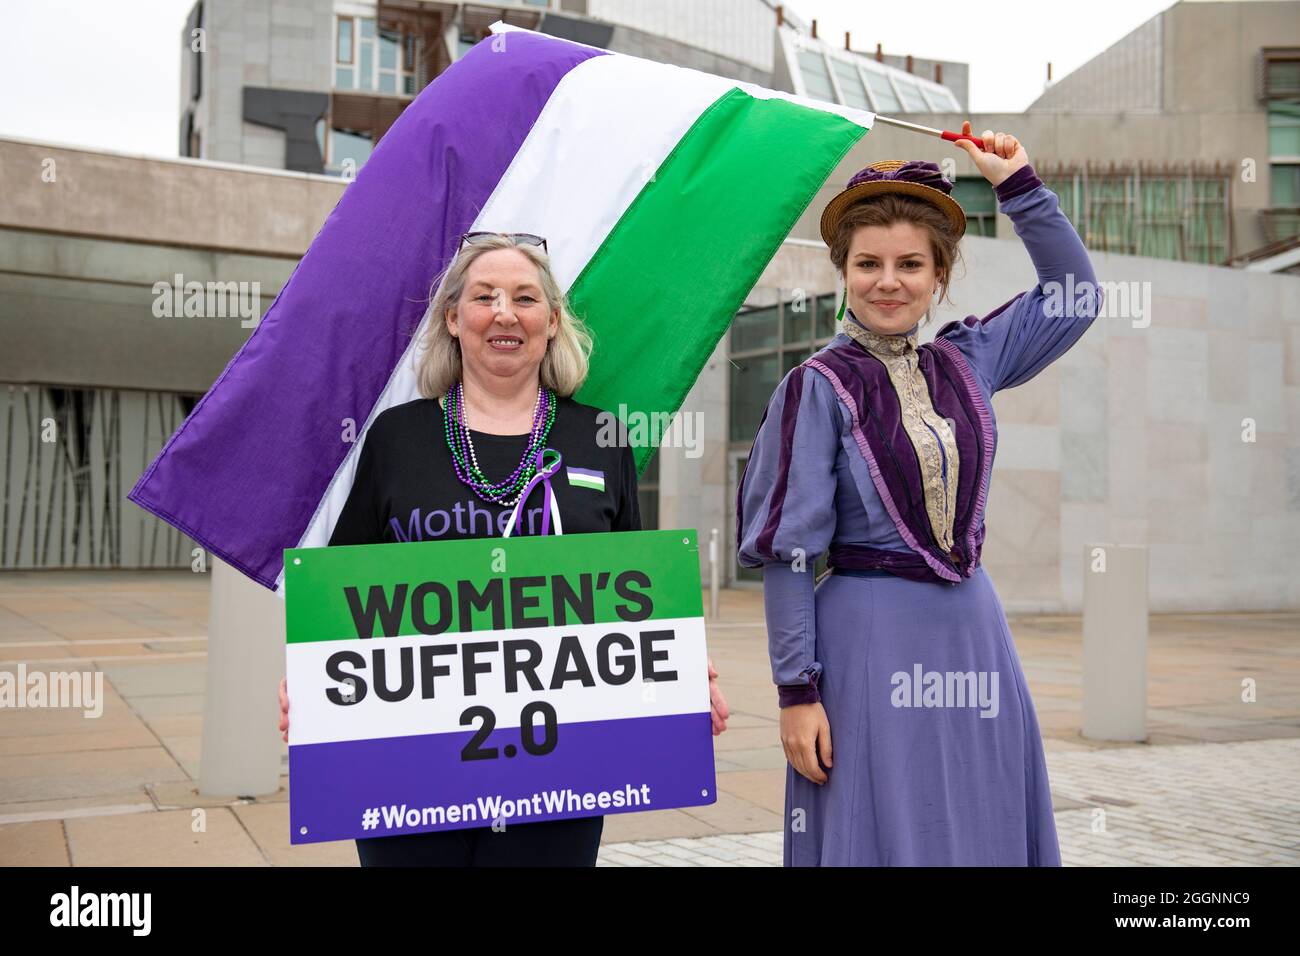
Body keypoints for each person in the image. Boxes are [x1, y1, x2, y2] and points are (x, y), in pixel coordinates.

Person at [279, 231, 730, 866]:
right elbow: (341, 582)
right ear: (453, 320)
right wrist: (309, 679)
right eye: (484, 296)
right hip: (408, 767)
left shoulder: (601, 437)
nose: (503, 312)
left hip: (563, 766)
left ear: (551, 322)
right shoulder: (396, 437)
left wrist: (684, 670)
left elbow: (639, 592)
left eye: (524, 297)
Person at [736, 123, 1103, 866]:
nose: (888, 280)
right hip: (865, 641)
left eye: (911, 264)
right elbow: (789, 555)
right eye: (868, 263)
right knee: (879, 826)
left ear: (939, 277)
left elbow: (1075, 296)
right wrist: (796, 693)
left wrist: (1020, 187)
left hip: (973, 632)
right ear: (844, 273)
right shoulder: (814, 388)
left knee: (979, 817)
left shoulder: (970, 357)